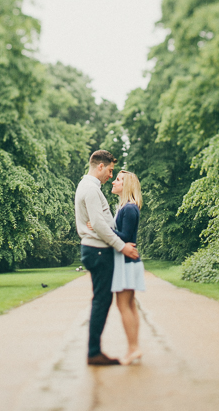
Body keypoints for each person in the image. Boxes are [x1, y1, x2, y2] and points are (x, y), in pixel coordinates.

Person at [75, 150, 139, 366]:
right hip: (98, 251)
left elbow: (103, 223)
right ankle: (94, 352)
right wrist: (122, 247)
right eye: (110, 170)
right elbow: (100, 225)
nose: (111, 176)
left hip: (95, 249)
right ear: (100, 166)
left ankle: (95, 350)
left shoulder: (88, 187)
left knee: (101, 300)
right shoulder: (91, 189)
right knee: (101, 301)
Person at [109, 170, 145, 365]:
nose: (114, 182)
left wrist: (101, 229)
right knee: (129, 305)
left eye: (119, 179)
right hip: (127, 261)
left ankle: (133, 348)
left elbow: (125, 236)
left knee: (124, 305)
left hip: (126, 262)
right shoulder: (126, 208)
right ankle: (134, 346)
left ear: (127, 185)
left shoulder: (129, 208)